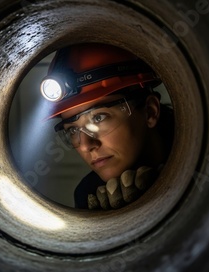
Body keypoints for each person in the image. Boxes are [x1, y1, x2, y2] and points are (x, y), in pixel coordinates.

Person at [40, 43, 174, 209]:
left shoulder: (200, 157)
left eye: (98, 118)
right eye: (73, 130)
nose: (87, 146)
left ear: (149, 112)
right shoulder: (87, 195)